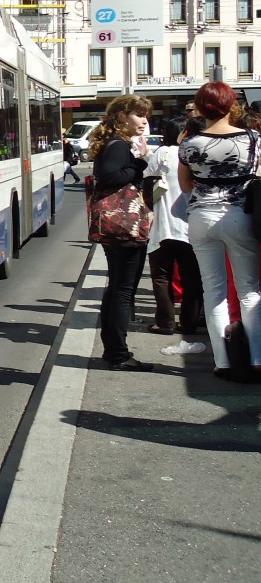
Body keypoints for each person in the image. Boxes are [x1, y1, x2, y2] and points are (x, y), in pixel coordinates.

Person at [178, 81, 261, 380]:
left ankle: (223, 362)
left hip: (201, 217)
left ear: (200, 108)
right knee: (248, 290)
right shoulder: (252, 139)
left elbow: (186, 185)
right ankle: (256, 358)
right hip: (240, 215)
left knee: (213, 291)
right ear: (231, 105)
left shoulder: (190, 144)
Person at [89, 93, 154, 371]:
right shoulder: (118, 146)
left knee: (117, 287)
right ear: (121, 117)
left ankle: (114, 350)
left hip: (116, 226)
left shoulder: (115, 143)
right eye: (139, 115)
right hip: (123, 227)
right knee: (123, 290)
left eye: (145, 115)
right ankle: (118, 353)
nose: (144, 120)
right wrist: (140, 163)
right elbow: (109, 176)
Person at [143, 117, 203, 336]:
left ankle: (165, 323)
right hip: (192, 228)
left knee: (161, 277)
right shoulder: (197, 154)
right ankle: (189, 324)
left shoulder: (163, 153)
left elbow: (147, 179)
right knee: (192, 279)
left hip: (163, 226)